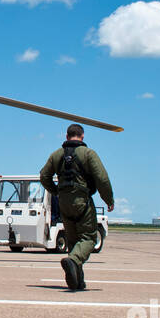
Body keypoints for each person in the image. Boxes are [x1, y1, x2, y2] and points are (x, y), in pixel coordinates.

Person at [40, 124, 114, 290]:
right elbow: (102, 179)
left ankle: (77, 281)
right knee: (88, 238)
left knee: (74, 242)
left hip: (64, 203)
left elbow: (44, 176)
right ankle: (73, 261)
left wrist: (56, 192)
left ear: (67, 136)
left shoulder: (56, 155)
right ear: (82, 137)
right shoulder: (88, 154)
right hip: (82, 201)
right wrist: (108, 199)